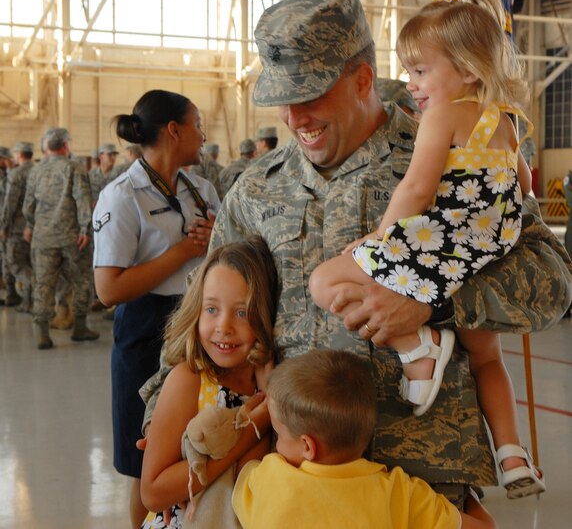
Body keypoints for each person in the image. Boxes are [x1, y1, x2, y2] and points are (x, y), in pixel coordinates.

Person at [206, 0, 571, 508]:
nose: (294, 117)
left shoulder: (456, 150)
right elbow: (209, 320)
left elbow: (552, 281)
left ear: (362, 79)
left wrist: (435, 302)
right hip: (295, 472)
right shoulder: (255, 189)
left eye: (310, 95)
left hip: (422, 470)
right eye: (282, 100)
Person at [310, 0, 544, 499]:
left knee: (325, 279)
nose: (411, 84)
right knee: (489, 359)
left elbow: (417, 187)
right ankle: (511, 454)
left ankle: (417, 345)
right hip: (487, 249)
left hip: (444, 244)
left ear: (466, 70)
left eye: (420, 71)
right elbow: (525, 185)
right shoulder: (504, 120)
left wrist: (378, 236)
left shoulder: (441, 116)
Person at [93, 89, 220, 529]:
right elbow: (109, 289)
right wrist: (185, 249)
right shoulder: (121, 196)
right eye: (198, 124)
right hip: (146, 329)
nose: (203, 135)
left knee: (199, 445)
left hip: (199, 324)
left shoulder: (199, 189)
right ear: (173, 130)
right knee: (143, 459)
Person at [233, 349, 496, 529]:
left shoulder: (272, 480)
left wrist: (254, 421)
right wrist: (470, 497)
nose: (277, 444)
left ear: (307, 446)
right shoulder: (399, 493)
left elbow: (241, 473)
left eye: (279, 434)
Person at [140, 237, 277, 529]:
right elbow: (152, 492)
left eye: (242, 312)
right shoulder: (190, 379)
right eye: (211, 309)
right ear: (196, 310)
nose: (224, 327)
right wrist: (252, 430)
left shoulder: (264, 389)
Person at [22, 127, 98, 349]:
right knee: (81, 280)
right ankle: (80, 328)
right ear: (66, 145)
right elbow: (83, 199)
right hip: (71, 237)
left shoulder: (36, 171)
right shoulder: (74, 167)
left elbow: (28, 205)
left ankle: (42, 333)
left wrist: (32, 225)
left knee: (44, 284)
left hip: (43, 238)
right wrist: (86, 229)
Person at [0, 142, 35, 312]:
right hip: (36, 226)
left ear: (19, 154)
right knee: (30, 262)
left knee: (16, 264)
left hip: (17, 228)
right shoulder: (39, 171)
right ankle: (29, 301)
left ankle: (31, 297)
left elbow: (10, 204)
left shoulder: (16, 174)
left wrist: (3, 226)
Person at [0, 145, 20, 307]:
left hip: (5, 223)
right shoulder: (6, 175)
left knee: (6, 259)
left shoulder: (7, 174)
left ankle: (12, 294)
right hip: (3, 222)